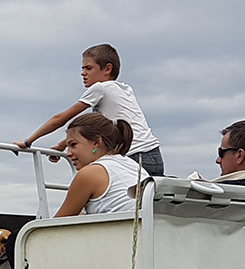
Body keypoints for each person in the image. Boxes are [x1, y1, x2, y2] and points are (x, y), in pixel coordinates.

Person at [15, 43, 164, 175]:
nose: (83, 73)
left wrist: (28, 142)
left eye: (88, 68)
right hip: (154, 157)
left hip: (133, 155)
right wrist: (63, 145)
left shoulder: (100, 88)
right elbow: (98, 127)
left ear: (107, 69)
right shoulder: (124, 89)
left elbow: (60, 119)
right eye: (83, 68)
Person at [52, 113, 141, 217]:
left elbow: (56, 225)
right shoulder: (133, 166)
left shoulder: (90, 173)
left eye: (73, 145)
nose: (68, 153)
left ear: (96, 142)